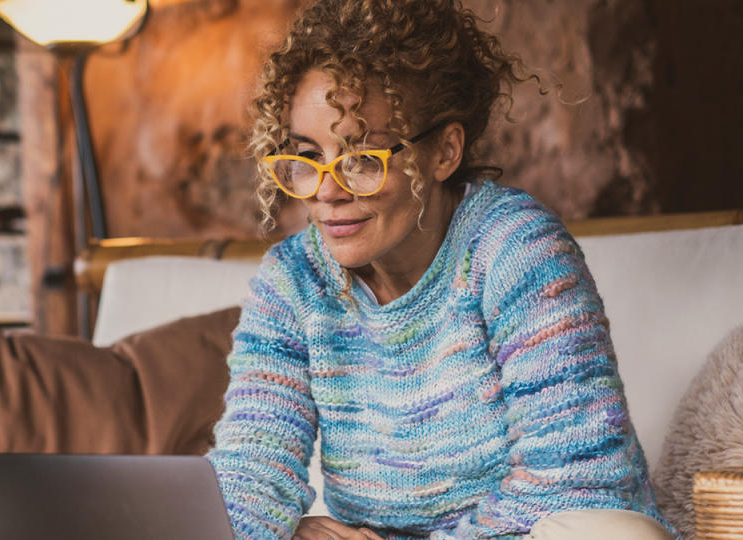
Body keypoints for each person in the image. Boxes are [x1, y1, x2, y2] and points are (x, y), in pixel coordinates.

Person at [205, 1, 677, 538]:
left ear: (445, 152)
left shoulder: (515, 249)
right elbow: (249, 473)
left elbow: (579, 481)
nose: (327, 191)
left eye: (361, 158)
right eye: (308, 157)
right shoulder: (292, 284)